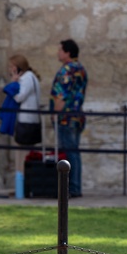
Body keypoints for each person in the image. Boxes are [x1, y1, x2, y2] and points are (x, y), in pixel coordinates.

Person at [50, 38, 88, 197]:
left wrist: (54, 114)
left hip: (66, 117)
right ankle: (76, 186)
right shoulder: (81, 69)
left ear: (67, 52)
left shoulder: (66, 70)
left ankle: (72, 187)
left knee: (68, 153)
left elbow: (61, 96)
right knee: (74, 152)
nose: (58, 53)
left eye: (60, 50)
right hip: (77, 115)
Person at [2, 54, 41, 198]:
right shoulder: (31, 77)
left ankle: (22, 188)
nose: (10, 69)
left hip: (26, 121)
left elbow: (19, 96)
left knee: (22, 156)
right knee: (23, 154)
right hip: (29, 120)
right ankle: (22, 187)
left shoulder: (26, 78)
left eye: (12, 66)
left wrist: (14, 83)